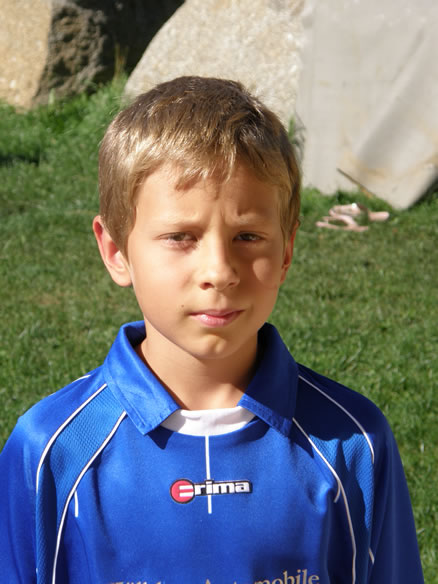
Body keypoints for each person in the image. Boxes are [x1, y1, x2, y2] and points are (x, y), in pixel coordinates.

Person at [0, 76, 423, 584]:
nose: (219, 271)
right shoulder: (51, 450)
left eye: (248, 236)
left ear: (286, 250)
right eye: (181, 236)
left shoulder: (354, 443)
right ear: (116, 251)